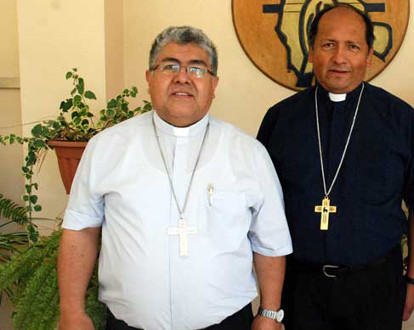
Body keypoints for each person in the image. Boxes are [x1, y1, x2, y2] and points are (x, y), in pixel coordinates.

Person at [57, 26, 292, 330]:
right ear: (149, 78)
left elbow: (270, 242)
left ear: (214, 83)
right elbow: (81, 230)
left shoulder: (249, 154)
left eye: (197, 68)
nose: (183, 77)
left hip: (225, 324)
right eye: (170, 66)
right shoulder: (107, 147)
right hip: (128, 325)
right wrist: (72, 310)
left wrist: (270, 313)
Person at [257, 4, 414, 329]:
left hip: (377, 286)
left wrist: (413, 281)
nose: (340, 58)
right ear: (311, 52)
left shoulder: (400, 119)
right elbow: (262, 214)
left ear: (368, 55)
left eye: (352, 46)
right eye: (328, 44)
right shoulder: (280, 120)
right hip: (301, 287)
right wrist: (270, 302)